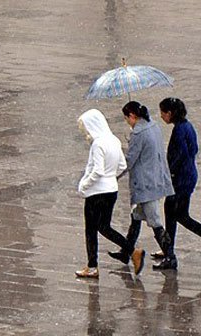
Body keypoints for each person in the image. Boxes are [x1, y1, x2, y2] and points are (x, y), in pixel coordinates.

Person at [75, 109, 146, 278]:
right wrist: (110, 178)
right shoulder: (113, 140)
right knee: (104, 227)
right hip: (111, 190)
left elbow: (97, 171)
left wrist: (84, 186)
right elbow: (122, 166)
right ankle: (132, 251)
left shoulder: (98, 144)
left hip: (96, 193)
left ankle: (92, 266)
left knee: (91, 230)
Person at [108, 101, 178, 270]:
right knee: (136, 217)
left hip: (145, 184)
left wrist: (112, 176)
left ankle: (170, 256)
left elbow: (129, 160)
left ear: (132, 116)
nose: (127, 122)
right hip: (155, 178)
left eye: (127, 119)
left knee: (154, 221)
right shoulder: (152, 125)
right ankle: (127, 252)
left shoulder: (139, 134)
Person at [156, 97, 201, 262]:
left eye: (162, 113)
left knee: (175, 214)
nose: (161, 116)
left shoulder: (179, 130)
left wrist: (168, 174)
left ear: (170, 113)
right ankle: (168, 247)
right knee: (176, 214)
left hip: (179, 179)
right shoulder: (187, 126)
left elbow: (178, 156)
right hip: (188, 176)